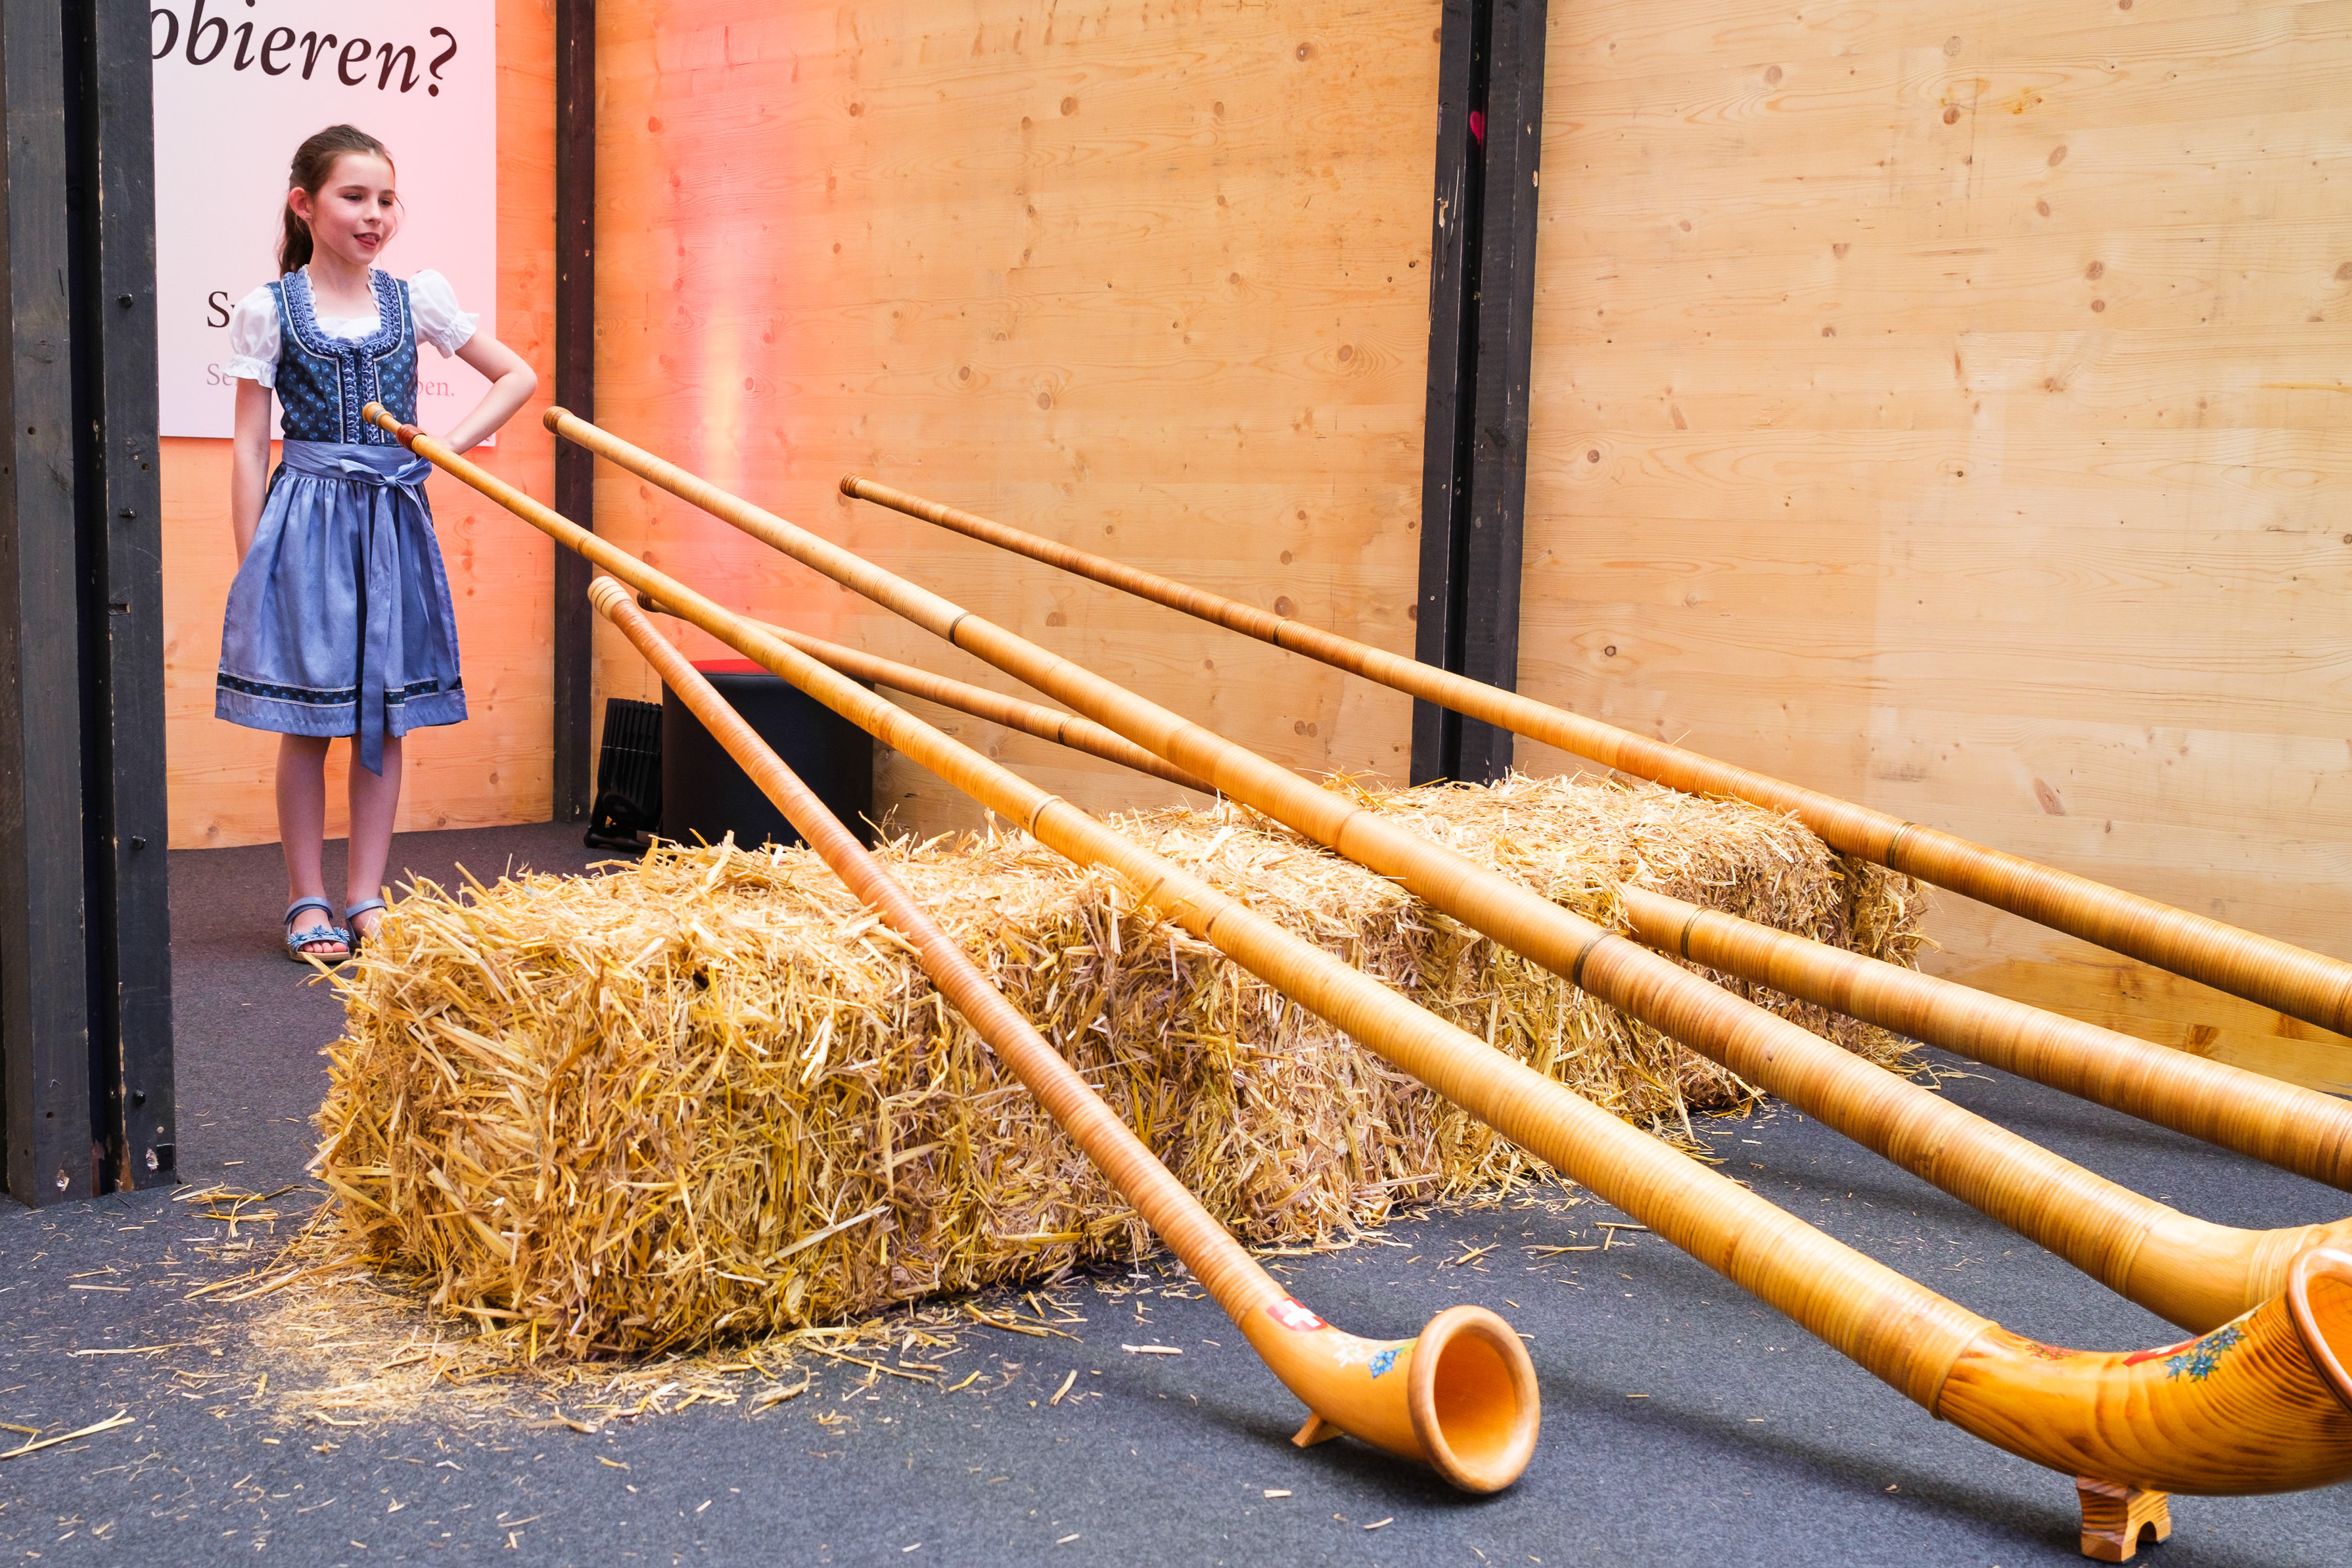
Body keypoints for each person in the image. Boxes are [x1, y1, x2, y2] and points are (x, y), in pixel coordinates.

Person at [218, 124, 536, 961]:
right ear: (306, 205)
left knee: (384, 716)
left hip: (391, 519)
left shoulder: (414, 299)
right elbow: (252, 445)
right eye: (354, 197)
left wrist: (437, 451)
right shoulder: (271, 308)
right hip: (307, 522)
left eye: (386, 199)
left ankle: (366, 896)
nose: (374, 215)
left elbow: (517, 376)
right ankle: (306, 898)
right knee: (309, 719)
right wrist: (256, 558)